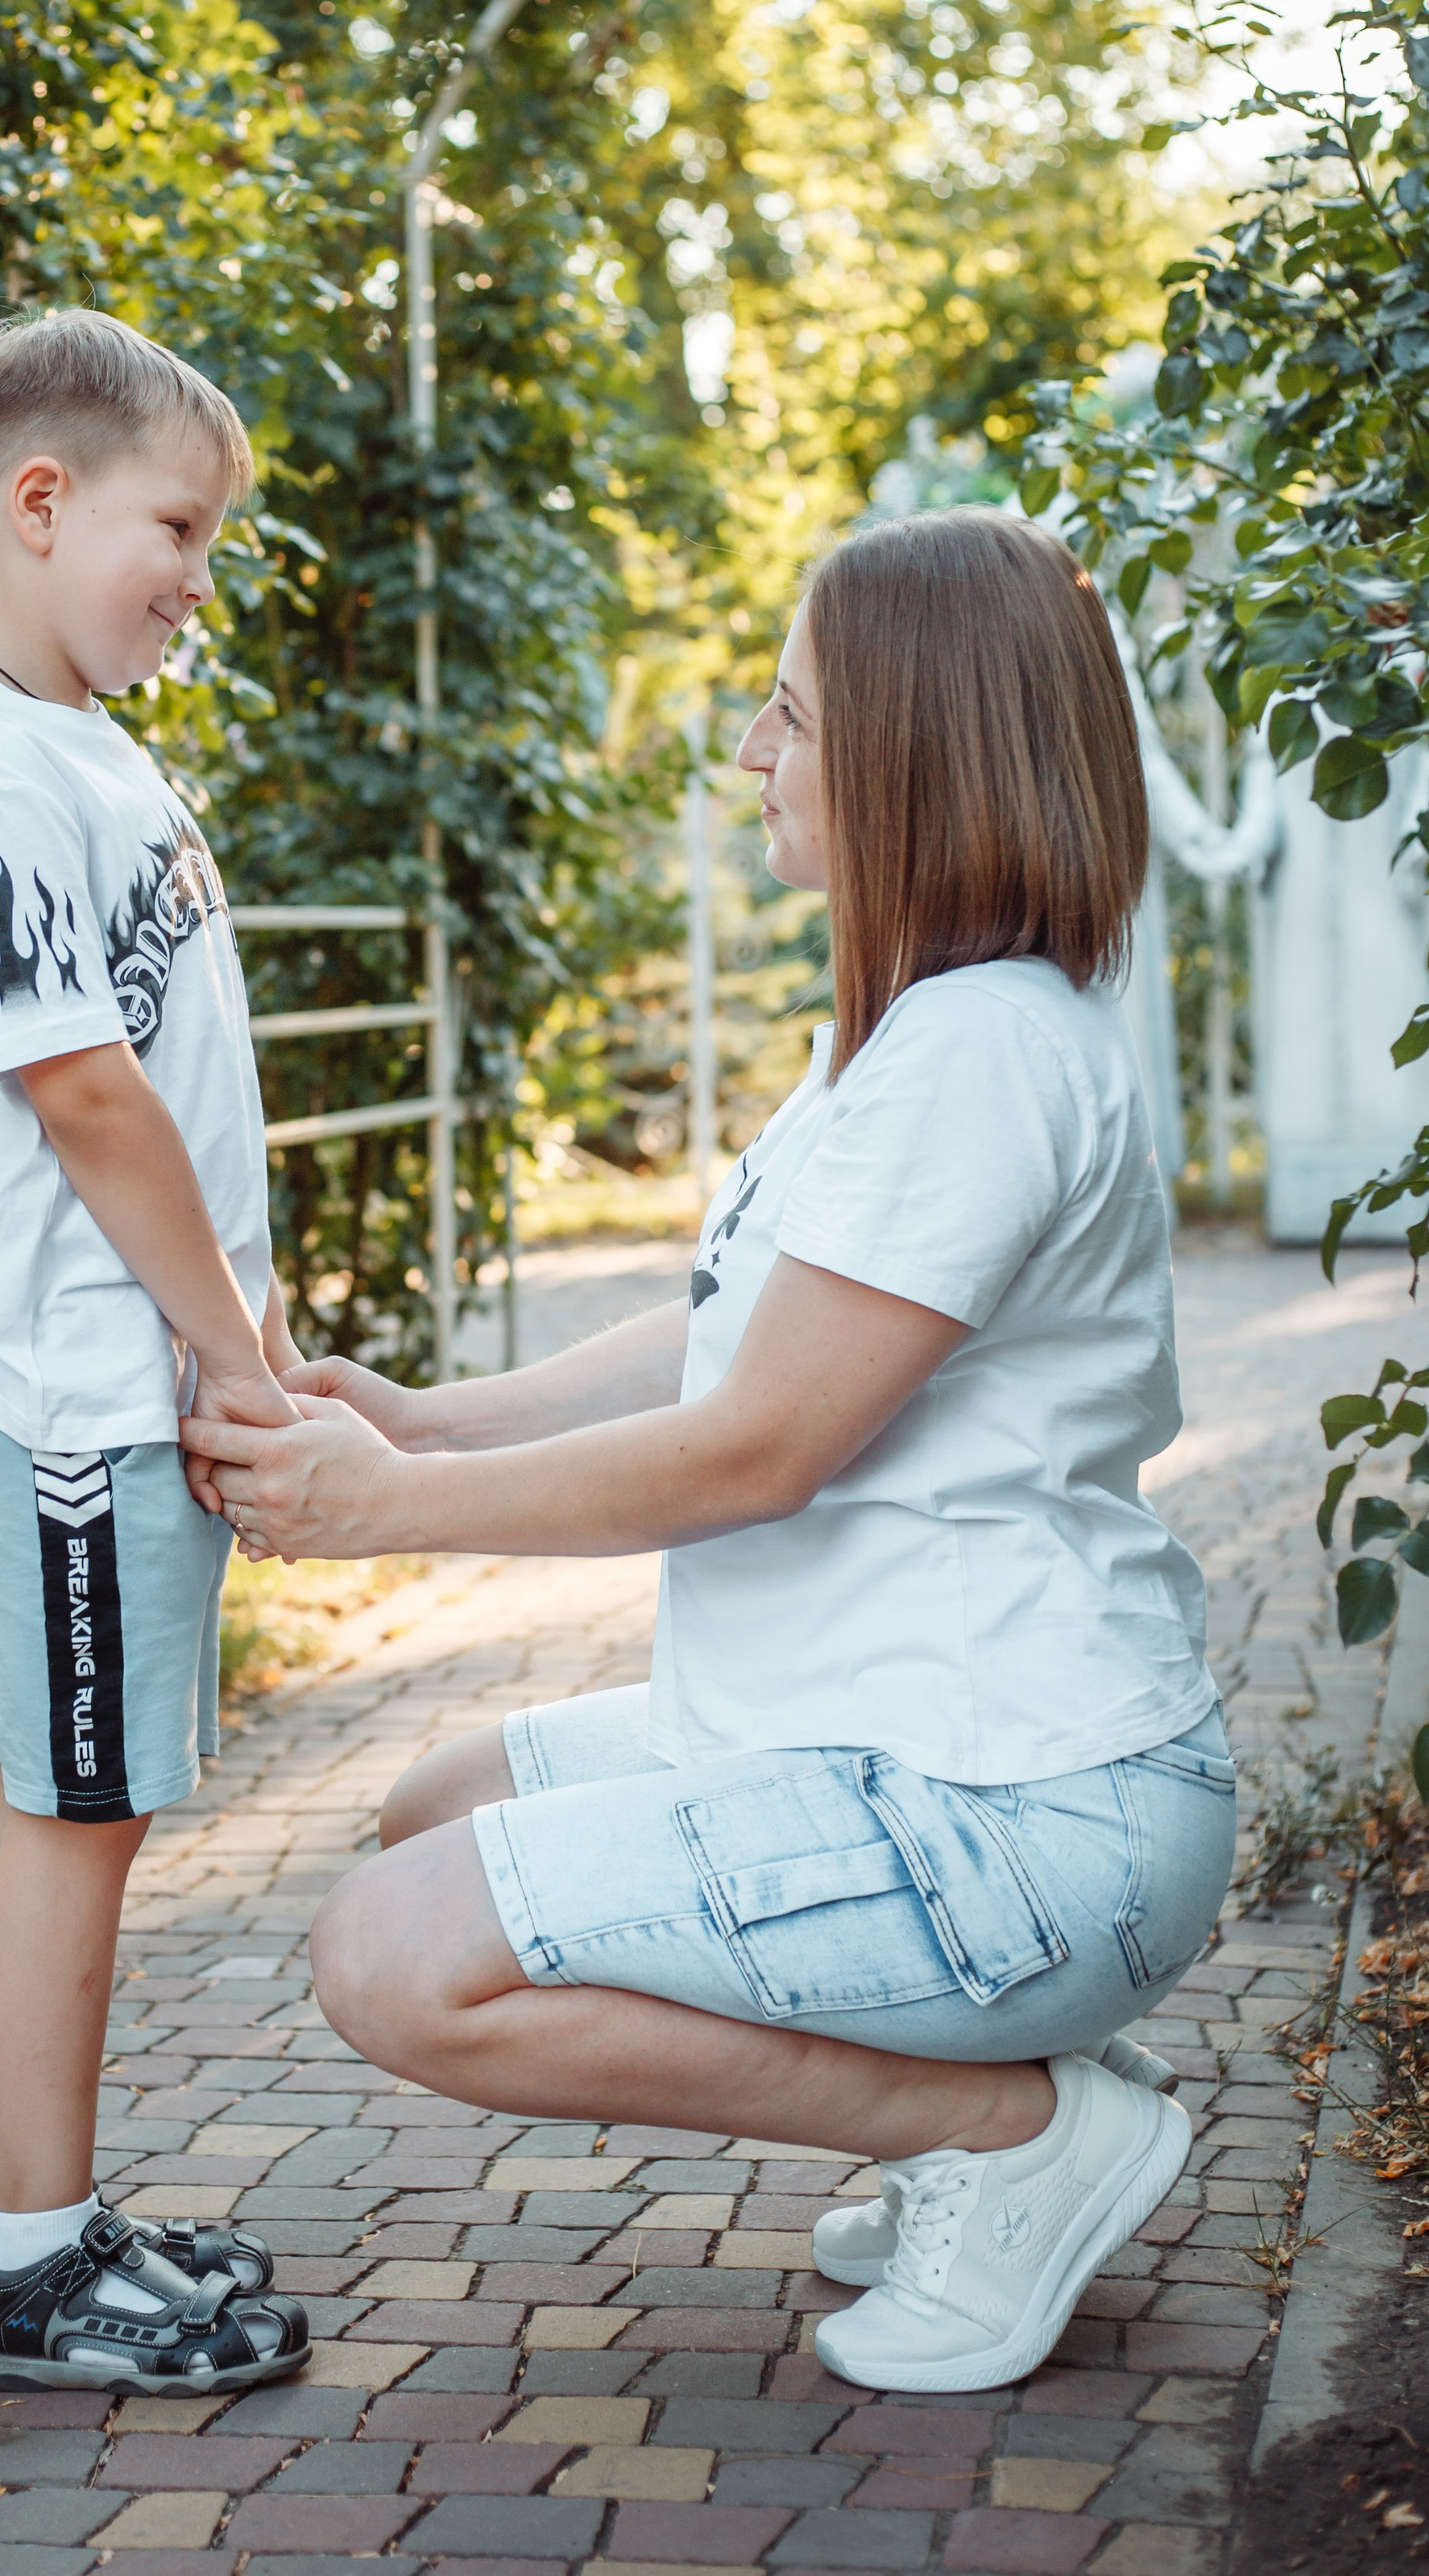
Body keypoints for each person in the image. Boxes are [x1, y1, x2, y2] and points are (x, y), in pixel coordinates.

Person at [182, 508, 1236, 2399]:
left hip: (1016, 1813)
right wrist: (422, 1419)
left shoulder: (976, 1054)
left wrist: (386, 1516)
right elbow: (730, 1328)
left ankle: (998, 2130)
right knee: (432, 1814)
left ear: (914, 753)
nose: (749, 757)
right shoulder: (912, 1037)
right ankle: (988, 2103)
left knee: (391, 1958)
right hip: (882, 1744)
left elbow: (756, 1443)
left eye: (784, 716)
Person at [0, 307, 311, 2397]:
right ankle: (23, 2264)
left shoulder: (76, 749)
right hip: (63, 1388)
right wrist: (234, 1357)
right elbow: (91, 1102)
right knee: (72, 1804)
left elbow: (168, 1088)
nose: (197, 582)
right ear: (39, 504)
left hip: (116, 1370)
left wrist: (242, 1325)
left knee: (92, 1798)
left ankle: (29, 2196)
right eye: (180, 531)